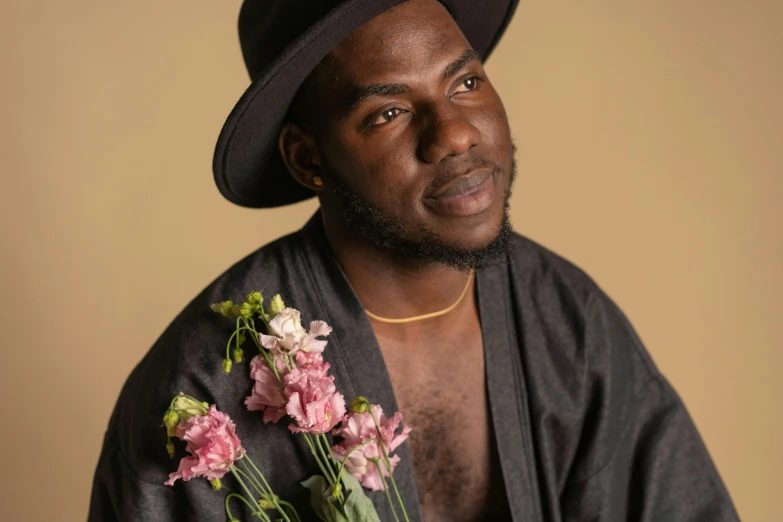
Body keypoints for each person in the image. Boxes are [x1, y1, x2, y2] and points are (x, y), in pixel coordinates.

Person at [88, 1, 740, 521]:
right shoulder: (211, 385)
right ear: (307, 159)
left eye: (464, 81)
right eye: (389, 112)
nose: (454, 132)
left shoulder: (568, 323)